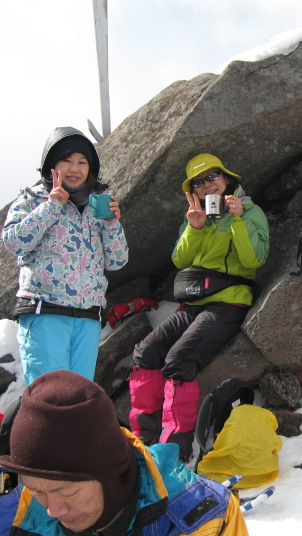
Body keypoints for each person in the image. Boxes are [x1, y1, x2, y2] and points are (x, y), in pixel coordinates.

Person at [129, 154, 269, 461]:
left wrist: (239, 219)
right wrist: (195, 227)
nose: (207, 185)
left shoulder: (250, 211)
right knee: (146, 352)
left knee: (180, 359)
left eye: (212, 176)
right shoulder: (195, 216)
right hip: (193, 303)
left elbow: (254, 260)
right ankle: (145, 439)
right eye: (199, 182)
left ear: (226, 178)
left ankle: (174, 450)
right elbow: (180, 260)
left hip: (228, 301)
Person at [0, 370, 248, 536]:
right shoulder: (12, 517)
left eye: (68, 491)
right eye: (36, 490)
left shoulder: (204, 518)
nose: (53, 510)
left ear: (109, 471)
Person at [2, 127, 128, 385]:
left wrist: (112, 224)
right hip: (45, 312)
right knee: (49, 395)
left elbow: (117, 261)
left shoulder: (97, 206)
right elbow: (13, 242)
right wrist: (50, 207)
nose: (75, 168)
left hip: (88, 317)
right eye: (67, 160)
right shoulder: (33, 199)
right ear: (51, 164)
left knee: (80, 399)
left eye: (82, 162)